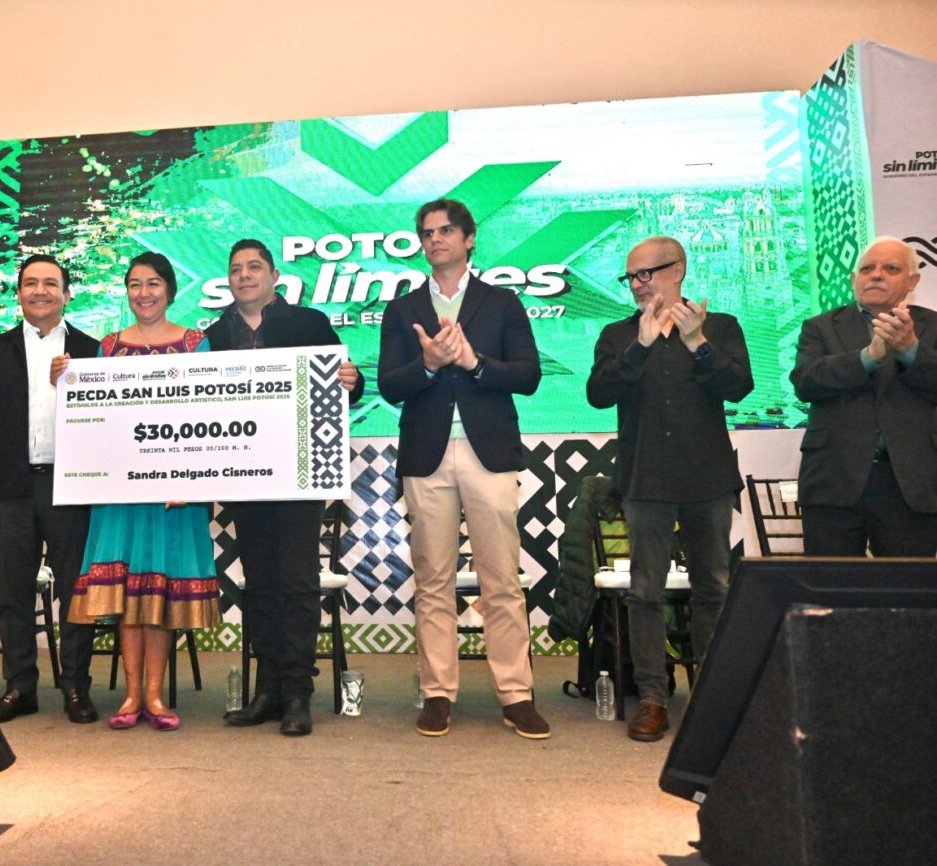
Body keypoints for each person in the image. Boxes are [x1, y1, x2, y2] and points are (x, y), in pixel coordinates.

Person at [377, 198, 546, 739]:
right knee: (433, 580)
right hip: (426, 455)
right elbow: (389, 385)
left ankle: (516, 694)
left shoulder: (502, 303)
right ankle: (437, 693)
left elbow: (528, 375)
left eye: (446, 230)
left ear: (469, 238)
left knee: (502, 580)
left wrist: (474, 364)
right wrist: (428, 364)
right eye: (427, 233)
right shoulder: (402, 309)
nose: (436, 239)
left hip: (488, 453)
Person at [587, 236, 752, 742]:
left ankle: (712, 696)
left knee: (713, 588)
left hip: (707, 480)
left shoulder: (719, 327)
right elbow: (598, 394)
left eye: (647, 273)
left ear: (677, 270)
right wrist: (639, 345)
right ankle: (653, 697)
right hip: (645, 481)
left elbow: (738, 387)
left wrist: (698, 343)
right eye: (631, 277)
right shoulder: (618, 334)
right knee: (645, 592)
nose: (638, 284)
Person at [206, 238, 363, 736]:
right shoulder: (212, 336)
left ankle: (297, 691)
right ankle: (267, 689)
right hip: (242, 473)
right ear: (228, 280)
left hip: (299, 471)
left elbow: (348, 386)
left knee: (297, 581)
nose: (244, 275)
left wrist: (351, 378)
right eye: (236, 268)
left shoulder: (309, 323)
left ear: (274, 276)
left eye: (254, 266)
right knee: (259, 584)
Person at [65, 252, 220, 731]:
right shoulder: (108, 347)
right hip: (120, 491)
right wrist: (65, 383)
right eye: (135, 284)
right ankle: (132, 694)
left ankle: (155, 694)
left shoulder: (195, 343)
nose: (144, 293)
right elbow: (93, 417)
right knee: (128, 593)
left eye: (153, 283)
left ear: (170, 290)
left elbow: (208, 415)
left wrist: (192, 478)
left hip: (175, 492)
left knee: (160, 592)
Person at [0, 254, 102, 724]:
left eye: (50, 283)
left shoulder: (92, 350)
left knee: (76, 593)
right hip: (10, 492)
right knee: (14, 595)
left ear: (67, 294)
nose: (39, 290)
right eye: (30, 283)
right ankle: (20, 686)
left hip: (72, 489)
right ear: (18, 293)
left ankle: (76, 686)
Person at [791, 236, 937, 556]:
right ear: (853, 280)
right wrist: (868, 357)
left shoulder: (933, 327)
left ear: (913, 281)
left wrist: (910, 350)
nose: (876, 275)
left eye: (891, 268)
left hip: (912, 482)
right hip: (834, 478)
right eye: (867, 268)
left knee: (907, 585)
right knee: (831, 584)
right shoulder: (820, 327)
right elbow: (805, 382)